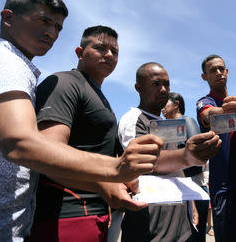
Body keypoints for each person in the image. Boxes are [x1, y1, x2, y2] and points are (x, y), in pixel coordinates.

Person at [0, 0, 161, 241]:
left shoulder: (24, 68)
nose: (51, 32)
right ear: (8, 18)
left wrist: (110, 184)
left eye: (58, 27)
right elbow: (23, 145)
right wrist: (114, 169)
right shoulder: (16, 64)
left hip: (23, 218)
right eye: (43, 21)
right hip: (64, 215)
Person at [28, 25, 149, 241]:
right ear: (79, 52)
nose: (109, 55)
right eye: (101, 48)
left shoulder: (99, 95)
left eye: (115, 51)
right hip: (65, 215)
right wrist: (107, 181)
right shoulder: (65, 83)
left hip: (97, 213)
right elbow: (47, 153)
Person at [118, 62, 221, 242]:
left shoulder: (164, 124)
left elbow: (176, 167)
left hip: (179, 225)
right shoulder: (134, 119)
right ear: (138, 87)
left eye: (167, 84)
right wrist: (187, 156)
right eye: (156, 84)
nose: (164, 89)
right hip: (151, 225)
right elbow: (140, 162)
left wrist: (191, 204)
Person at [196, 54, 236, 242]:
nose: (218, 73)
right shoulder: (205, 102)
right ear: (204, 77)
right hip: (224, 189)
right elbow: (208, 114)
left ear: (227, 71)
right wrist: (229, 110)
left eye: (221, 69)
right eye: (212, 70)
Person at [162, 92, 209, 242]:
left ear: (176, 104)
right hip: (171, 188)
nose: (162, 107)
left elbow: (198, 154)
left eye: (165, 103)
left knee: (194, 235)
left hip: (193, 185)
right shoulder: (161, 127)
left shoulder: (186, 120)